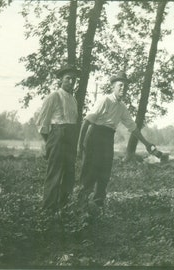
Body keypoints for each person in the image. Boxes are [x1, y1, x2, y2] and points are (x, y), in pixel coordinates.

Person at [77, 71, 156, 209]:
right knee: (90, 173)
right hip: (95, 136)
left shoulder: (122, 107)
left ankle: (97, 206)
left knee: (104, 174)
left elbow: (133, 127)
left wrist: (147, 144)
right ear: (113, 86)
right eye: (120, 85)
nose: (123, 88)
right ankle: (80, 206)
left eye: (125, 86)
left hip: (108, 139)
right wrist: (80, 145)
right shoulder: (104, 100)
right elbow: (86, 122)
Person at [36, 64, 81, 211]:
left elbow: (73, 122)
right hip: (57, 136)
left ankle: (64, 205)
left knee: (69, 172)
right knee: (55, 173)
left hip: (70, 137)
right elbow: (42, 122)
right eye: (68, 78)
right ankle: (48, 208)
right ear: (61, 79)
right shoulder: (54, 96)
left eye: (74, 79)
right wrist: (49, 141)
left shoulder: (73, 100)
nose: (71, 82)